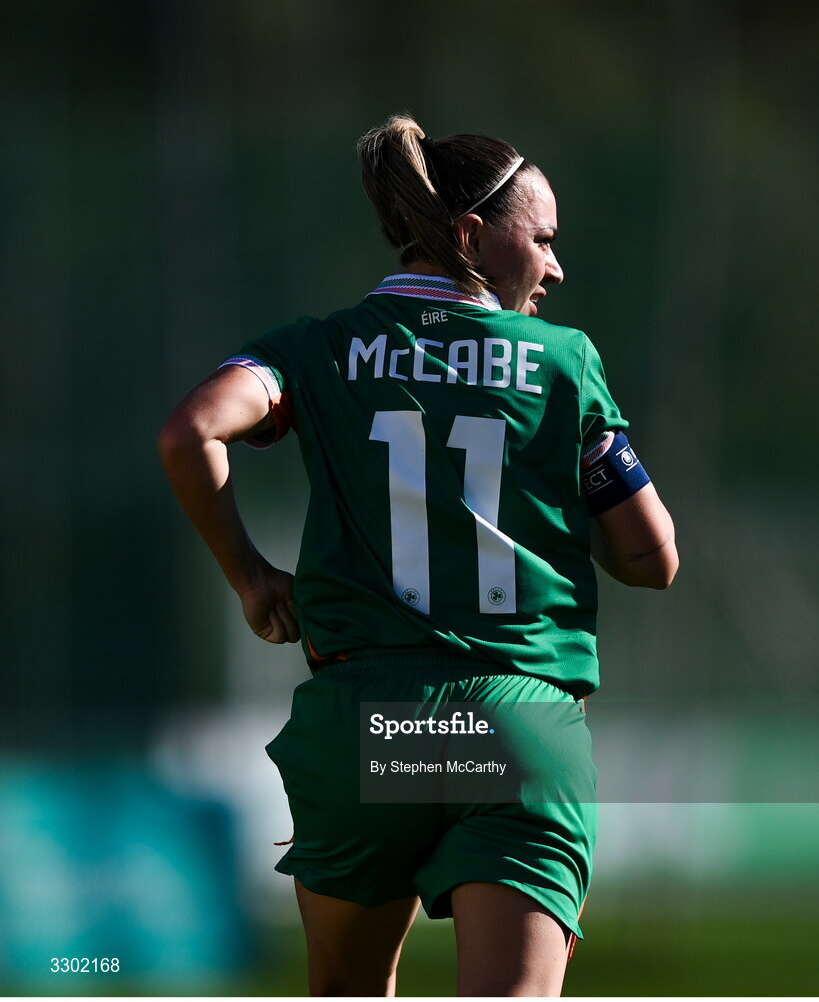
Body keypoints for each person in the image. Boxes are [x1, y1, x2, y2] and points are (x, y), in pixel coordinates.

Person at [158, 114, 678, 997]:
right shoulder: (561, 363)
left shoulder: (316, 348)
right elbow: (650, 555)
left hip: (370, 730)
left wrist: (249, 577)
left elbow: (191, 430)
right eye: (542, 241)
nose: (554, 267)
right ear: (471, 235)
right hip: (512, 726)